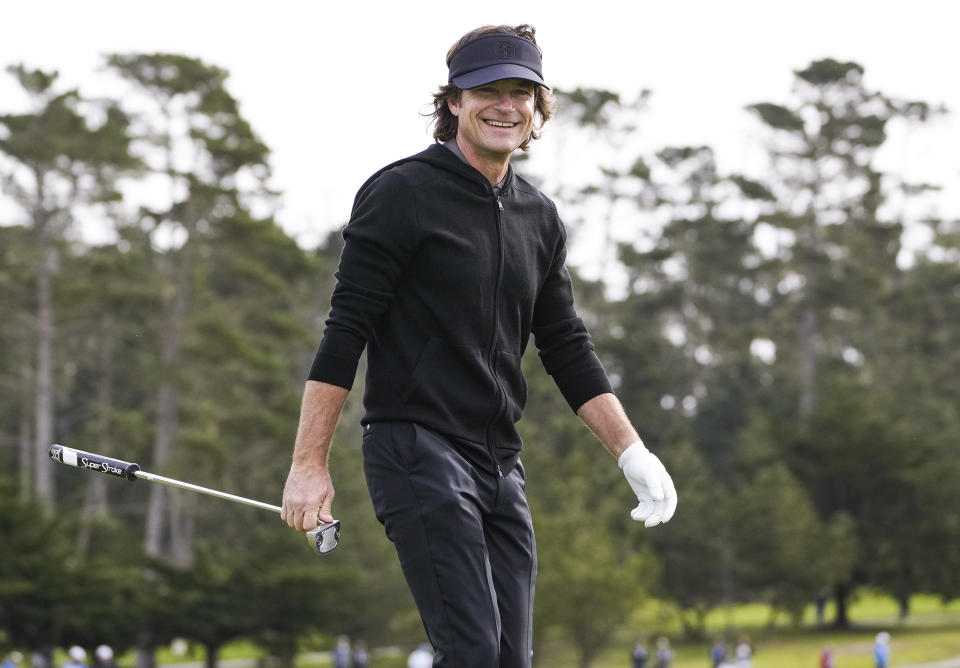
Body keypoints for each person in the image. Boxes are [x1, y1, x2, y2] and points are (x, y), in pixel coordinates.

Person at [281, 22, 677, 668]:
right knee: (470, 655)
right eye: (485, 90)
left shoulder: (539, 216)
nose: (505, 105)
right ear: (454, 102)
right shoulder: (401, 193)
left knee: (507, 660)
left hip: (498, 466)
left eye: (521, 92)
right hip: (415, 449)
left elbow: (566, 346)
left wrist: (630, 450)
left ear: (538, 108)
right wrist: (308, 464)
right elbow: (344, 331)